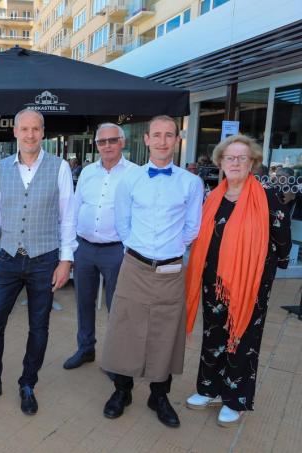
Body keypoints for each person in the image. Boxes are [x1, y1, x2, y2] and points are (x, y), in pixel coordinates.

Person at [0, 109, 75, 415]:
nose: (30, 134)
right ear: (15, 132)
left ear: (43, 132)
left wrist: (66, 260)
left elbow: (68, 219)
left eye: (35, 129)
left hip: (45, 259)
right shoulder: (1, 168)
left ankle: (28, 383)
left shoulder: (60, 167)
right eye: (24, 129)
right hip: (8, 258)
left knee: (39, 327)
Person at [101, 115, 203, 428]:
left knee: (166, 334)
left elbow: (192, 228)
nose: (162, 141)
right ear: (146, 140)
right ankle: (122, 390)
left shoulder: (191, 183)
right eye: (156, 135)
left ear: (177, 140)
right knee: (125, 329)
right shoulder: (129, 180)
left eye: (168, 135)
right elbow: (122, 223)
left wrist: (167, 251)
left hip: (171, 270)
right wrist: (141, 250)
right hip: (135, 265)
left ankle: (159, 395)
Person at [185, 135, 291, 427]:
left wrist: (266, 272)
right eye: (229, 158)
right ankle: (209, 389)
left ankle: (234, 399)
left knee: (242, 339)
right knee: (214, 335)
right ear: (220, 162)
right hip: (212, 281)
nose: (235, 163)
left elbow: (283, 240)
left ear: (252, 163)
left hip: (250, 285)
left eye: (242, 158)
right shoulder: (213, 197)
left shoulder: (265, 197)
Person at [63, 123, 137, 370]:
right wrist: (70, 245)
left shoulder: (136, 174)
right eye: (101, 142)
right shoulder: (87, 172)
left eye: (112, 140)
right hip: (84, 248)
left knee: (117, 307)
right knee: (83, 302)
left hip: (116, 251)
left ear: (122, 142)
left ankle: (116, 359)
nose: (107, 146)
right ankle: (85, 349)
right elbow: (74, 207)